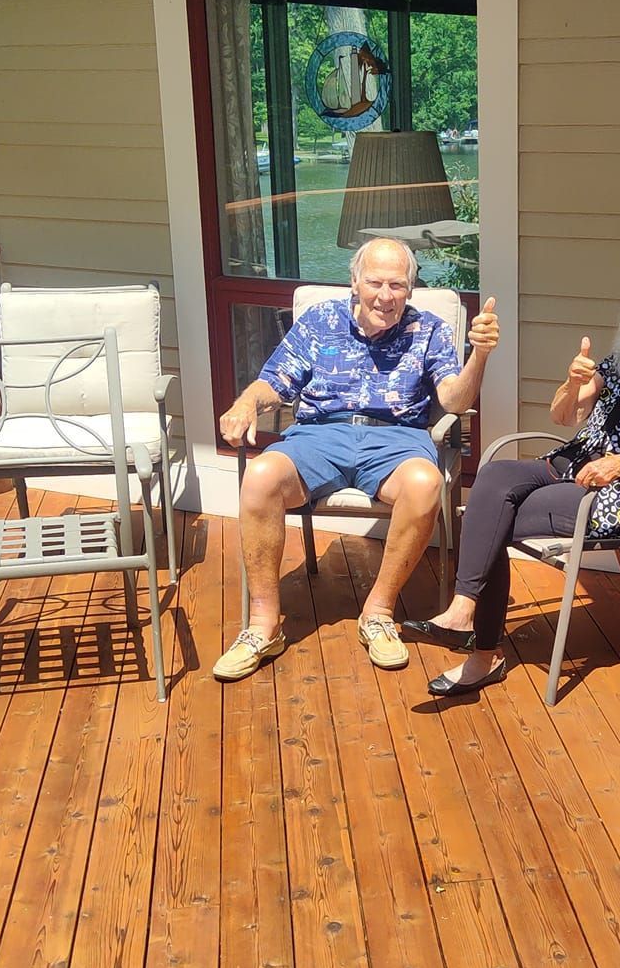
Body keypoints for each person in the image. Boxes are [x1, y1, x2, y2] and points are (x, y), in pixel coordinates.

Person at [403, 278, 620, 695]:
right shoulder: (616, 367)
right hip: (565, 464)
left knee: (490, 521)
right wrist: (572, 383)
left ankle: (482, 654)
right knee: (492, 478)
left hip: (612, 496)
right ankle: (462, 610)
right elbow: (563, 416)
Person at [213, 237, 499, 681]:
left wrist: (479, 357)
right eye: (375, 283)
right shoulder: (320, 320)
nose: (385, 296)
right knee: (261, 474)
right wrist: (247, 402)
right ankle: (263, 625)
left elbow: (454, 400)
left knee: (424, 483)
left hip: (396, 438)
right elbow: (276, 380)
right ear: (354, 283)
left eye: (397, 285)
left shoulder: (429, 330)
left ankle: (379, 612)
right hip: (320, 434)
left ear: (411, 288)